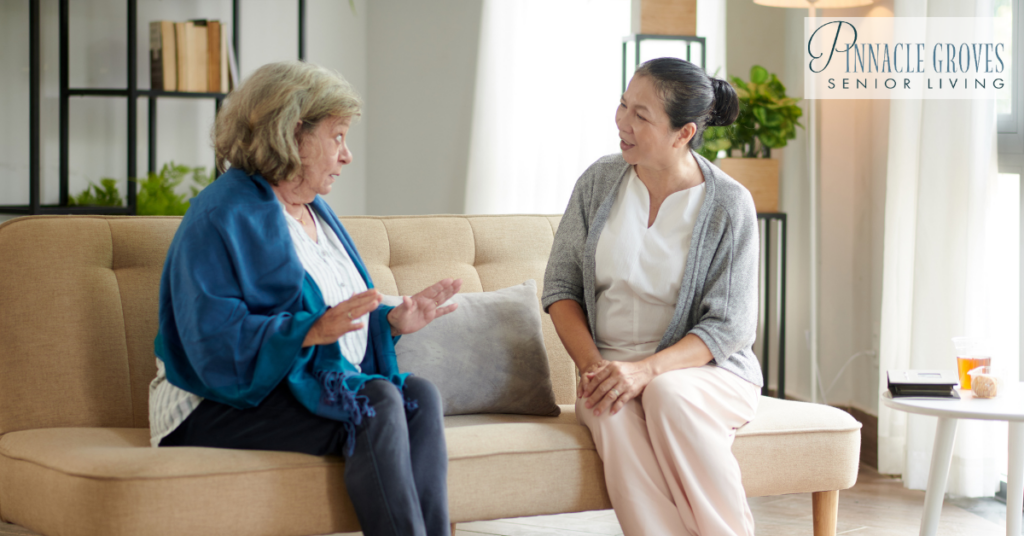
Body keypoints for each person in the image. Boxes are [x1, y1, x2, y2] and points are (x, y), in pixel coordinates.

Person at [149, 61, 461, 536]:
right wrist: (309, 331)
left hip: (293, 383)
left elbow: (335, 318)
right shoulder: (220, 215)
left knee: (418, 393)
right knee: (375, 399)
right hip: (212, 403)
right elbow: (209, 338)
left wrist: (390, 322)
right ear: (294, 133)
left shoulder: (317, 213)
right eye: (337, 137)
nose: (347, 155)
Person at [542, 57, 763, 536]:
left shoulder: (728, 203)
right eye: (623, 105)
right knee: (610, 406)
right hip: (609, 368)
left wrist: (646, 370)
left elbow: (730, 325)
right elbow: (560, 289)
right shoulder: (598, 182)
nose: (622, 122)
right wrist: (596, 370)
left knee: (666, 392)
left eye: (641, 116)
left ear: (683, 133)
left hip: (708, 373)